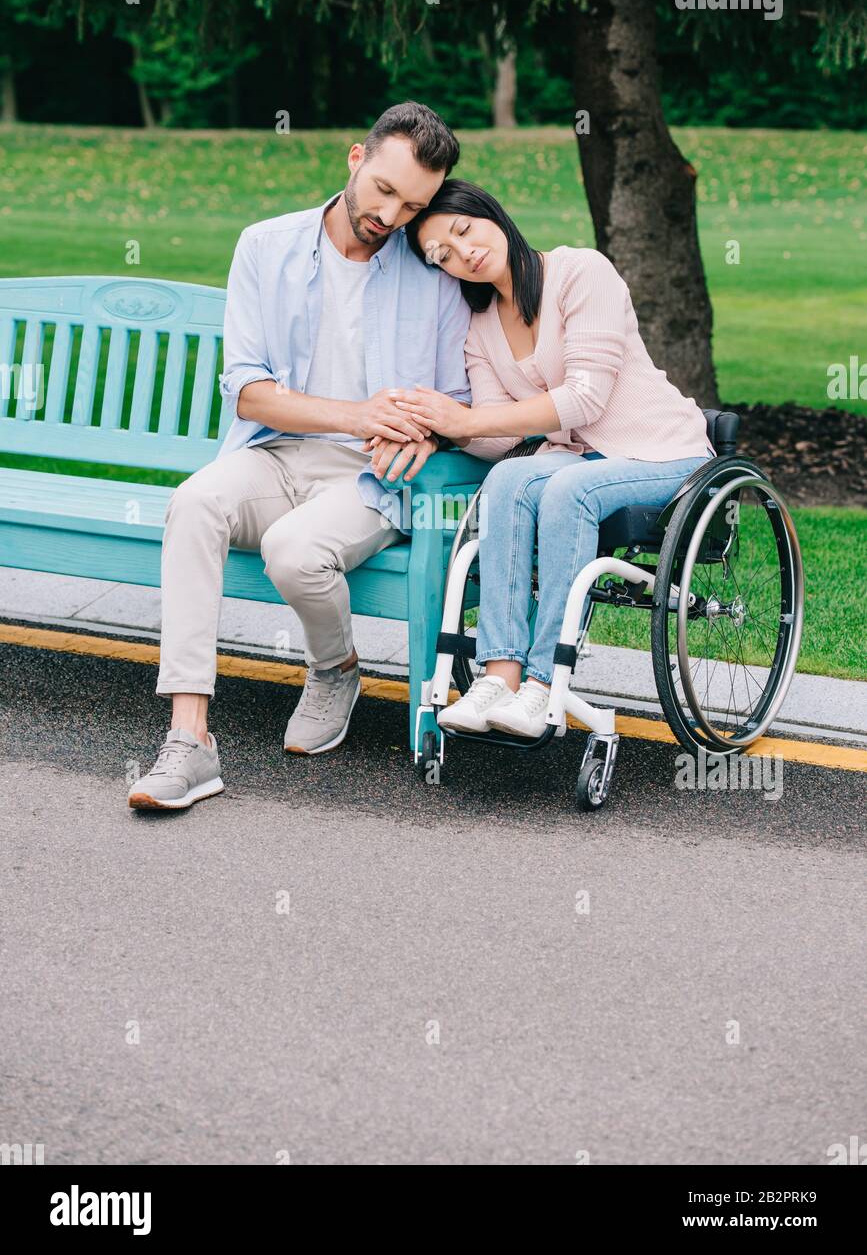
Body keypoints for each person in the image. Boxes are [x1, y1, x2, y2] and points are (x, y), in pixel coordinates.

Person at [128, 103, 471, 810]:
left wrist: (426, 434)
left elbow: (458, 399)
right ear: (355, 157)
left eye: (413, 205)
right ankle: (189, 742)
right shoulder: (265, 245)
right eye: (382, 189)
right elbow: (250, 395)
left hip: (370, 477)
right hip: (271, 453)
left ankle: (336, 667)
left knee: (293, 550)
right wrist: (357, 411)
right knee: (192, 503)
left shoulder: (433, 270)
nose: (391, 215)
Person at [384, 179, 714, 740]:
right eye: (443, 255)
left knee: (566, 490)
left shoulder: (582, 273)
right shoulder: (482, 327)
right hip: (582, 461)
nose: (463, 254)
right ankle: (500, 678)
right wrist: (436, 430)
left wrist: (466, 421)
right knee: (510, 476)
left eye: (464, 231)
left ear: (491, 212)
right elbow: (491, 435)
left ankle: (544, 686)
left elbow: (585, 396)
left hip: (667, 453)